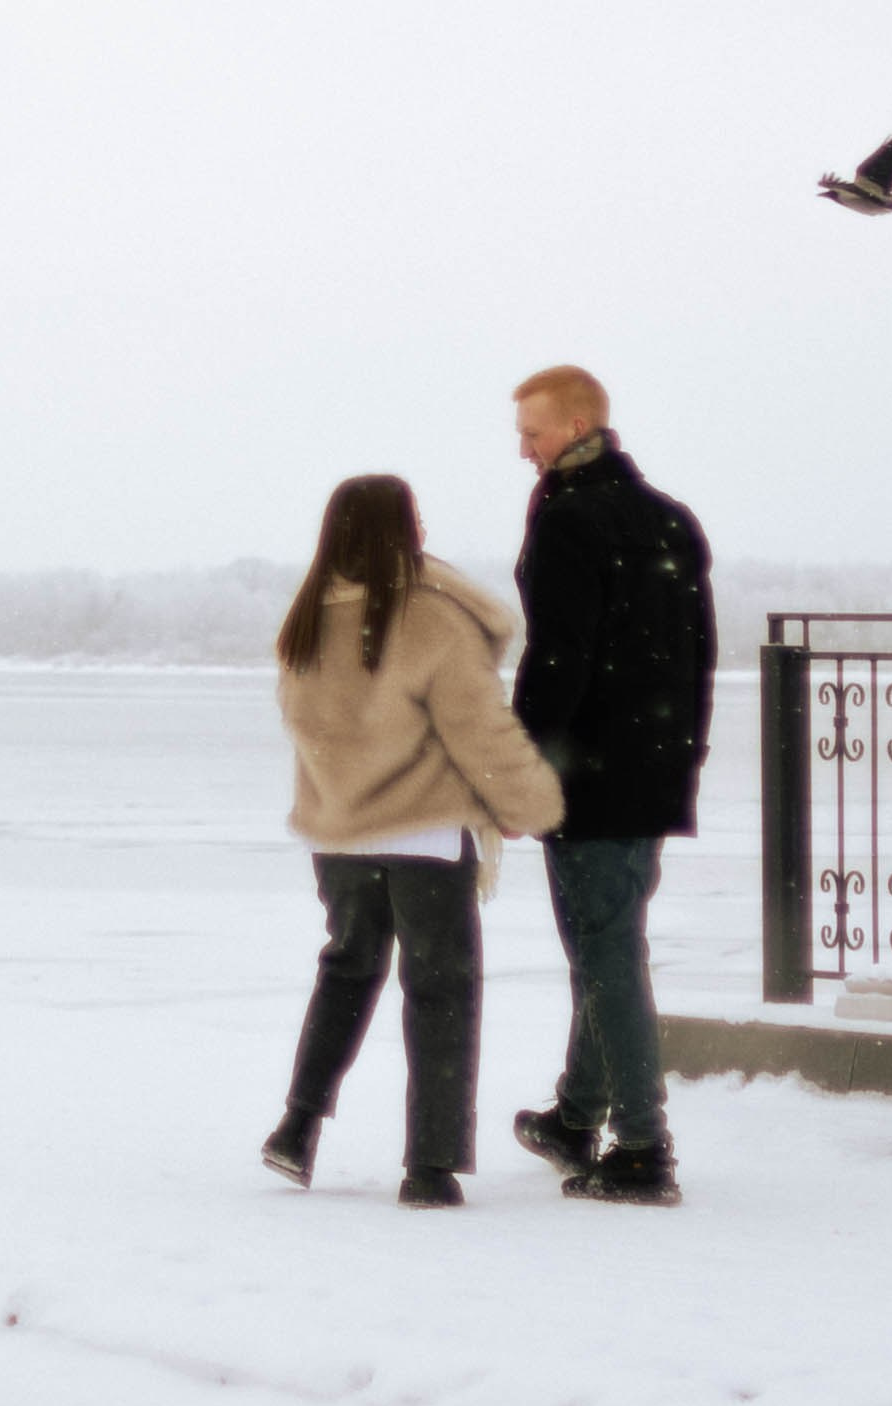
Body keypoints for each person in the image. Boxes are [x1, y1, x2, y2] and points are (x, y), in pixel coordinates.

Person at [263, 474, 564, 1209]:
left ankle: (296, 1128)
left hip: (339, 837)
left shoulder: (304, 622)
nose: (425, 527)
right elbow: (480, 728)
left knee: (344, 972)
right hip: (426, 834)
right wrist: (528, 804)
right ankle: (428, 1165)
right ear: (397, 531)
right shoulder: (429, 619)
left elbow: (314, 731)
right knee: (439, 992)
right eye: (415, 517)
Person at [508, 366, 715, 1207]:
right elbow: (696, 655)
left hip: (590, 777)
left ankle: (640, 1145)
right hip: (652, 767)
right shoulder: (669, 517)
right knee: (610, 943)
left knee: (605, 956)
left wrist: (521, 765)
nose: (522, 449)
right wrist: (680, 759)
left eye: (533, 432)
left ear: (579, 422)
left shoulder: (569, 522)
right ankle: (575, 1116)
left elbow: (555, 663)